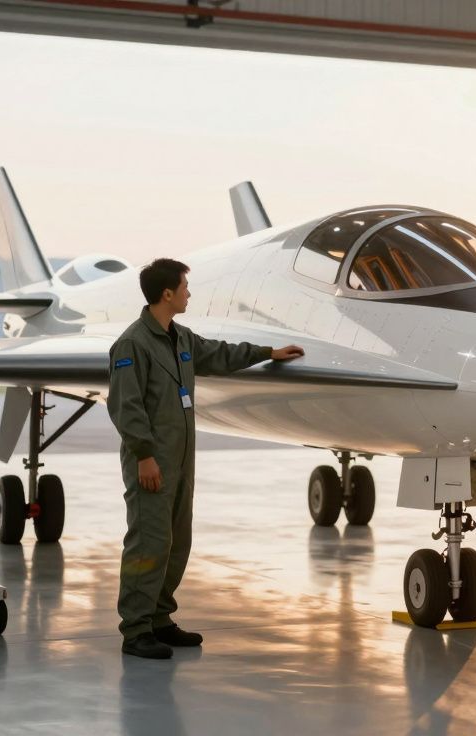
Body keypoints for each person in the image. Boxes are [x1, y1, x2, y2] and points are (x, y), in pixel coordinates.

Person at [108, 258, 304, 659]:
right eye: (184, 287)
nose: (188, 293)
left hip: (180, 463)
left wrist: (269, 352)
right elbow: (125, 407)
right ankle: (136, 630)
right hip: (152, 463)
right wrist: (144, 456)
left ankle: (160, 619)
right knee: (149, 544)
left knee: (177, 543)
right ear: (167, 293)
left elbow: (221, 354)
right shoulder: (132, 344)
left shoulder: (180, 338)